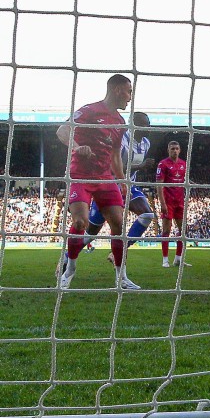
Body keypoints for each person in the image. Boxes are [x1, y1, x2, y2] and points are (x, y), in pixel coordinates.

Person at [56, 74, 140, 290]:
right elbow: (62, 130)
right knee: (80, 223)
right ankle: (70, 269)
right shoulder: (89, 111)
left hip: (105, 178)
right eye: (128, 91)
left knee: (119, 225)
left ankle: (121, 277)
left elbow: (114, 154)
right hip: (81, 176)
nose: (130, 97)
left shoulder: (120, 123)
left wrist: (121, 179)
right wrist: (76, 147)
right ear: (116, 90)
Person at [81, 111, 155, 264]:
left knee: (147, 214)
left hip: (129, 186)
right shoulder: (121, 141)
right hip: (110, 186)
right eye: (144, 124)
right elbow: (113, 166)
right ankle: (67, 257)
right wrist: (141, 166)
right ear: (134, 124)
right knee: (90, 233)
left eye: (149, 124)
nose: (148, 127)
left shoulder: (146, 143)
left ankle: (121, 249)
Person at [156, 140, 189, 268]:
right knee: (166, 230)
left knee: (183, 230)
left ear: (180, 150)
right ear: (168, 150)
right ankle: (165, 259)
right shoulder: (163, 164)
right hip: (168, 201)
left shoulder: (183, 164)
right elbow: (159, 184)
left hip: (180, 201)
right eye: (172, 149)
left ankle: (178, 259)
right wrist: (162, 203)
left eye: (176, 148)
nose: (174, 151)